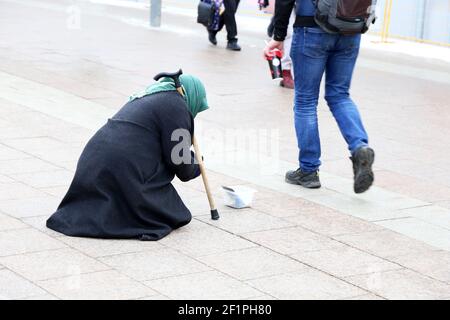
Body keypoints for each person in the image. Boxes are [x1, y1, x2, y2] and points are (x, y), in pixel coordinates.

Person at [46, 75, 209, 241]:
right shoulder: (177, 106)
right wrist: (197, 162)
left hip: (94, 159)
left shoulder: (150, 95)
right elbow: (180, 161)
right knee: (175, 213)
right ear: (194, 96)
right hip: (122, 166)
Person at [264, 0, 375, 193]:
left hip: (312, 29)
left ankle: (308, 170)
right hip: (350, 29)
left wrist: (278, 35)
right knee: (340, 95)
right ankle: (359, 147)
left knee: (305, 101)